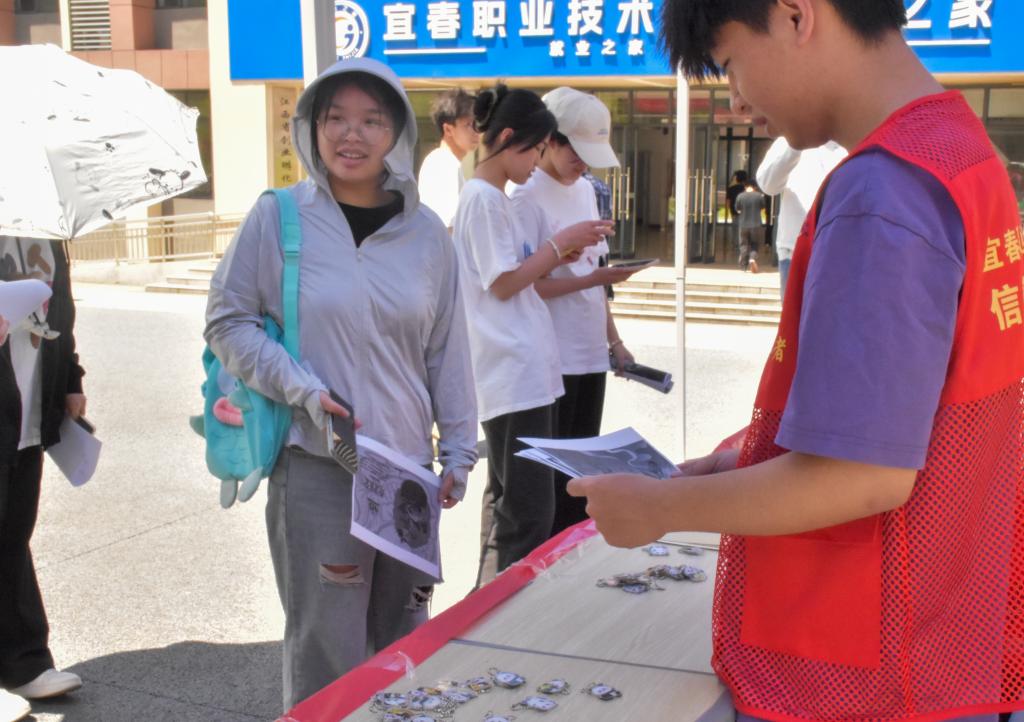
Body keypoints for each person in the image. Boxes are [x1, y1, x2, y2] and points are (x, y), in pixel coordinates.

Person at [569, 1, 1024, 720]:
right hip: (942, 630)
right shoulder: (963, 151)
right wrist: (745, 460)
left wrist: (659, 508)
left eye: (730, 65)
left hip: (866, 671)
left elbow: (863, 476)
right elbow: (918, 418)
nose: (737, 100)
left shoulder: (883, 192)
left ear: (793, 16)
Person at [205, 57, 477, 711]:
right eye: (335, 118)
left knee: (403, 641)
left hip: (406, 471)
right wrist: (298, 385)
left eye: (371, 120)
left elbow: (447, 350)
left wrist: (460, 450)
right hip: (319, 466)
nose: (351, 135)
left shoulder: (427, 236)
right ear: (312, 126)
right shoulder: (278, 218)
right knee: (326, 651)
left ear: (396, 133)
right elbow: (227, 320)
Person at [451, 84, 612, 576]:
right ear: (506, 138)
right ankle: (498, 607)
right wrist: (558, 246)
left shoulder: (493, 198)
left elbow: (514, 277)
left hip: (526, 370)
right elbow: (504, 283)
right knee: (526, 513)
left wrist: (560, 251)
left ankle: (498, 602)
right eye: (536, 149)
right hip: (511, 371)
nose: (536, 161)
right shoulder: (484, 199)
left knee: (525, 507)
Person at [509, 87, 638, 535]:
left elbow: (594, 274)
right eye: (576, 152)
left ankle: (569, 559)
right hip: (549, 360)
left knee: (580, 483)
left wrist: (614, 341)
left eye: (591, 156)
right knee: (546, 489)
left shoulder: (585, 191)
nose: (583, 164)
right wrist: (589, 277)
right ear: (549, 139)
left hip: (588, 355)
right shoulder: (525, 197)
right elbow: (521, 286)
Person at [0, 238, 86, 715]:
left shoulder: (47, 230)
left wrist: (71, 380)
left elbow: (62, 313)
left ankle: (24, 663)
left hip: (29, 410)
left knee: (14, 535)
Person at [756, 137, 846, 297]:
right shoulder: (788, 140)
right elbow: (768, 185)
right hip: (793, 252)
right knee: (795, 313)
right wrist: (795, 145)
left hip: (838, 253)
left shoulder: (846, 144)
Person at [418, 88, 480, 230]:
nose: (476, 132)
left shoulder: (446, 161)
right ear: (448, 130)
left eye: (477, 124)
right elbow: (447, 226)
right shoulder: (443, 163)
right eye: (468, 125)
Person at [734, 182, 765, 272]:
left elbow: (737, 209)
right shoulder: (759, 196)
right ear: (754, 187)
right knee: (755, 244)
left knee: (744, 244)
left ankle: (743, 266)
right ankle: (752, 258)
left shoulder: (740, 196)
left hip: (743, 225)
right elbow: (763, 208)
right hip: (756, 224)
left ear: (745, 186)